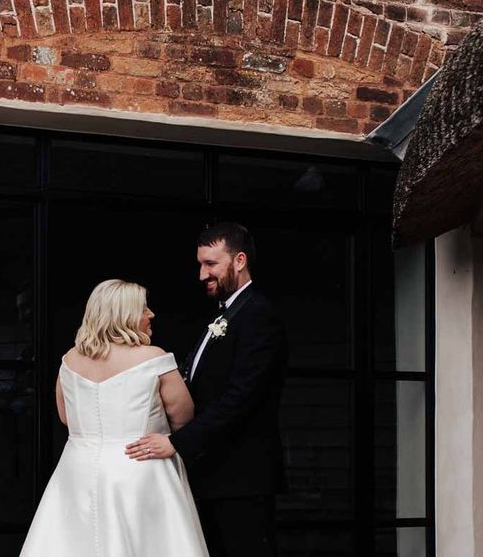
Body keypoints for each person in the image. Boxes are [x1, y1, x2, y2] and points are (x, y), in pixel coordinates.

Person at [126, 223, 287, 557]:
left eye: (211, 264)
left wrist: (175, 442)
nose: (202, 274)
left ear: (239, 260)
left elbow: (240, 398)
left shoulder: (258, 314)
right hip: (213, 473)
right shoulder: (225, 314)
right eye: (200, 265)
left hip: (242, 478)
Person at [19, 279, 209, 557]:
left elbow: (65, 417)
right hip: (141, 468)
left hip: (78, 470)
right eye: (144, 308)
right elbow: (183, 417)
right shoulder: (155, 358)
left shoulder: (70, 360)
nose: (151, 314)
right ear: (125, 315)